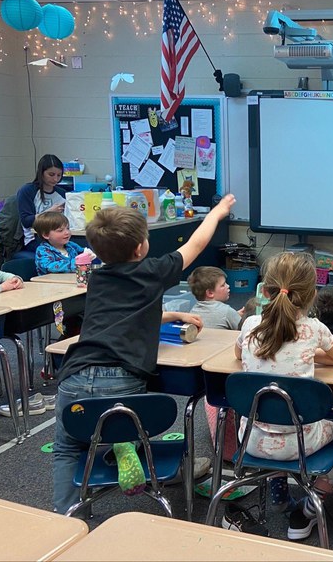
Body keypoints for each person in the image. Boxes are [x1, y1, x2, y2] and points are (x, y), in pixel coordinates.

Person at [52, 193, 235, 516]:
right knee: (125, 422)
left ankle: (68, 517)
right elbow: (195, 244)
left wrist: (174, 316)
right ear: (140, 248)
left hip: (75, 374)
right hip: (122, 376)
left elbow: (124, 314)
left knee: (67, 449)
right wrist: (218, 211)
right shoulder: (152, 271)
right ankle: (126, 447)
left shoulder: (96, 279)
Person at [234, 251, 333, 540]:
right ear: (312, 294)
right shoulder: (314, 329)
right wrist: (311, 356)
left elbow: (238, 353)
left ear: (265, 290)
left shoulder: (250, 324)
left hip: (251, 439)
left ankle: (278, 494)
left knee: (273, 411)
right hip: (300, 444)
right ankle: (312, 505)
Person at [17, 154, 67, 257]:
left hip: (59, 237)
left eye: (59, 175)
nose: (55, 179)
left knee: (80, 249)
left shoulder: (62, 193)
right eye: (51, 174)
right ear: (41, 173)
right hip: (35, 239)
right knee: (60, 254)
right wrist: (49, 212)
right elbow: (26, 221)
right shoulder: (28, 191)